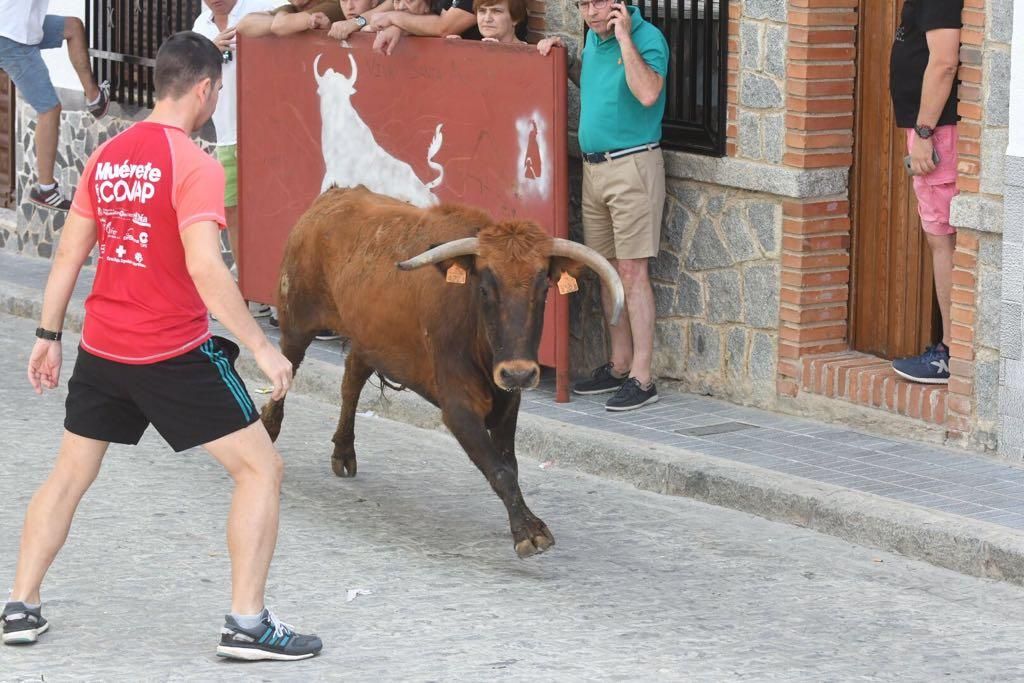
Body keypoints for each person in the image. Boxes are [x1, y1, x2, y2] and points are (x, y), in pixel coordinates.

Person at [1, 32, 322, 661]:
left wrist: (48, 336)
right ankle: (248, 624)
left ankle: (20, 606)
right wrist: (261, 347)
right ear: (203, 88)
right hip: (171, 353)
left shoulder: (108, 155)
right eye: (219, 89)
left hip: (103, 349)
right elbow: (207, 269)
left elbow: (69, 254)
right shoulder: (195, 164)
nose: (217, 98)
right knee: (262, 469)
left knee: (68, 476)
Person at [538, 1, 668, 412]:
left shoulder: (647, 39)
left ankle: (643, 377)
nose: (591, 12)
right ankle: (619, 364)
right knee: (606, 272)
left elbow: (647, 92)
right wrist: (566, 56)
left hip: (633, 165)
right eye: (583, 4)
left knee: (633, 271)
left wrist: (625, 37)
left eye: (598, 3)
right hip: (595, 170)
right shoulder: (593, 39)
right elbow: (597, 84)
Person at [888, 0, 963, 384]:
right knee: (941, 236)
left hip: (938, 131)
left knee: (943, 238)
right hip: (934, 129)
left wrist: (923, 132)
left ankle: (950, 353)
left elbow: (945, 60)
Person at [193, 0, 278, 320]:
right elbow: (191, 79)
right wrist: (209, 51)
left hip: (266, 135)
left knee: (269, 214)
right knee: (233, 215)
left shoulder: (262, 7)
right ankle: (248, 289)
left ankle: (274, 292)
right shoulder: (200, 27)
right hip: (227, 136)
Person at [0, 0, 109, 212]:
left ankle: (94, 98)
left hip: (23, 26)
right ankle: (45, 188)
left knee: (73, 27)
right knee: (49, 109)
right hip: (10, 38)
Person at [235, 0, 342, 38]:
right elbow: (243, 25)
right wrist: (283, 20)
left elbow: (280, 26)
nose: (350, 5)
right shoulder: (289, 9)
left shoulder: (335, 4)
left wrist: (357, 22)